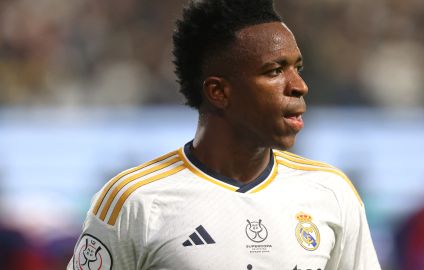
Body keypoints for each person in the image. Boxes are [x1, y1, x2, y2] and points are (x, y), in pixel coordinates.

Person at [67, 0, 380, 269]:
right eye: (274, 71)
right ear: (219, 92)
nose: (299, 85)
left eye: (297, 68)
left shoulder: (332, 193)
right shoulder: (134, 200)